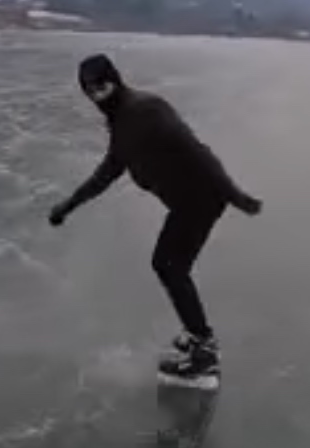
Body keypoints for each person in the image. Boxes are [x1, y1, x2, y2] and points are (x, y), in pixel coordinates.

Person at [49, 54, 262, 388]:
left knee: (169, 266)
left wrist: (236, 196)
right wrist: (68, 205)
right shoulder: (122, 120)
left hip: (201, 198)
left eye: (101, 86)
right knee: (168, 265)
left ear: (115, 79)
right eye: (89, 91)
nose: (97, 96)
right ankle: (198, 336)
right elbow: (108, 171)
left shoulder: (145, 111)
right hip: (188, 201)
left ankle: (204, 352)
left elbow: (198, 152)